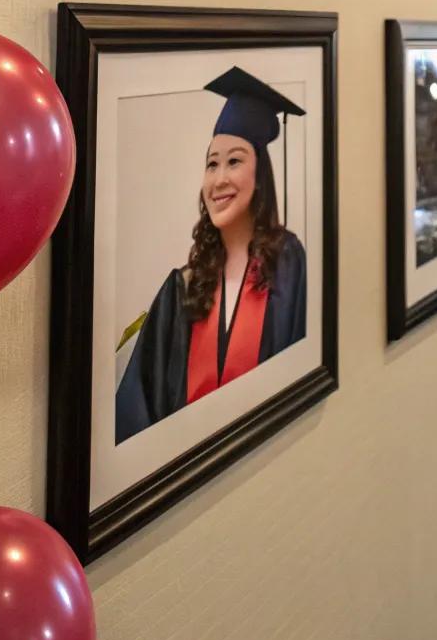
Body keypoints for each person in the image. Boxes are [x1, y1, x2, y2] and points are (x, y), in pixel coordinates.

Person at [115, 68, 307, 443]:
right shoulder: (182, 287)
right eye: (211, 163)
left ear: (260, 175)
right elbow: (137, 409)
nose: (219, 178)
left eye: (234, 161)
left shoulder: (287, 263)